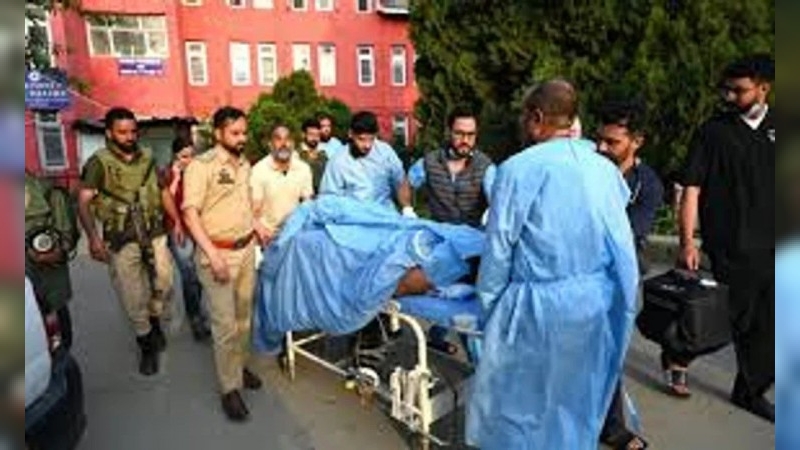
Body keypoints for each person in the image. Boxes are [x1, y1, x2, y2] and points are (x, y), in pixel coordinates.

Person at [466, 80, 639, 450]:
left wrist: (490, 309)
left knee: (521, 404)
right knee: (575, 402)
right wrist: (619, 307)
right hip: (593, 302)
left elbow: (499, 249)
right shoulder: (603, 169)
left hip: (538, 308)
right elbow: (621, 246)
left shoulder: (517, 170)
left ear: (536, 117)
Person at [674, 54, 774, 422]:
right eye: (726, 90)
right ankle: (678, 352)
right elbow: (692, 188)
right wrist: (688, 241)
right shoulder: (713, 132)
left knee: (771, 325)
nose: (729, 97)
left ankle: (750, 391)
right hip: (730, 245)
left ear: (763, 88)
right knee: (725, 319)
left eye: (739, 90)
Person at [77, 107, 175, 376]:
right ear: (109, 133)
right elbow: (83, 202)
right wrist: (93, 239)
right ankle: (146, 344)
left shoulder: (149, 157)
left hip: (154, 231)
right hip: (121, 238)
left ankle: (154, 319)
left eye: (133, 131)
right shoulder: (98, 163)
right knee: (133, 295)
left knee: (165, 282)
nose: (130, 137)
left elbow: (163, 191)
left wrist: (176, 222)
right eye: (122, 132)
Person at [182, 106, 265, 422]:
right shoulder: (201, 166)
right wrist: (213, 255)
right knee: (225, 325)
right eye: (235, 133)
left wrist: (256, 225)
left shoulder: (244, 163)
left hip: (246, 249)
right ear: (218, 133)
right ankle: (230, 389)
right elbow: (191, 214)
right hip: (217, 253)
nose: (242, 138)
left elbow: (241, 204)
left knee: (244, 318)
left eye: (244, 132)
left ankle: (239, 367)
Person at [596, 97, 663, 450]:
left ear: (637, 141)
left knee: (609, 353)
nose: (602, 148)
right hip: (574, 274)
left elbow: (625, 235)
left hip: (617, 277)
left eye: (612, 142)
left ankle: (611, 426)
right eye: (600, 139)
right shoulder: (587, 168)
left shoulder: (647, 185)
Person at [407, 105, 496, 355]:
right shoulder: (429, 162)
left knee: (467, 312)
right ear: (449, 132)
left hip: (471, 250)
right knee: (443, 299)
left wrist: (493, 210)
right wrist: (406, 208)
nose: (465, 140)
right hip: (441, 246)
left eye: (471, 134)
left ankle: (478, 365)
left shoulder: (485, 166)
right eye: (460, 133)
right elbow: (406, 183)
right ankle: (436, 338)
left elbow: (497, 195)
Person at [161, 136, 211, 342]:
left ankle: (197, 309)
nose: (188, 160)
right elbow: (167, 200)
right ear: (175, 156)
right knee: (189, 274)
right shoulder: (166, 173)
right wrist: (175, 177)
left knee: (199, 274)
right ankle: (195, 318)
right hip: (178, 229)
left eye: (191, 156)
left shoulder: (198, 172)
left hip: (198, 229)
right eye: (184, 156)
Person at [319, 111, 416, 216]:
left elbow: (400, 181)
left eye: (371, 139)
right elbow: (328, 198)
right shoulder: (338, 161)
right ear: (351, 134)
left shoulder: (385, 152)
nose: (367, 145)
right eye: (361, 139)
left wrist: (407, 209)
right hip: (353, 218)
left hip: (385, 214)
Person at [25, 171, 80, 349]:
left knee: (58, 351)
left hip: (45, 292)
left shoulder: (47, 191)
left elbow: (67, 240)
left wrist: (56, 252)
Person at [250, 124, 313, 260]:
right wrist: (263, 232)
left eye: (288, 139)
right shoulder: (258, 171)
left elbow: (307, 204)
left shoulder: (303, 169)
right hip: (267, 238)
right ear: (270, 144)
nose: (284, 144)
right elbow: (253, 212)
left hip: (295, 236)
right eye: (278, 139)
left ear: (293, 144)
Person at [297, 118, 328, 194]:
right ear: (303, 135)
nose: (314, 138)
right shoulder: (296, 155)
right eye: (311, 134)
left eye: (317, 135)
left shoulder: (323, 155)